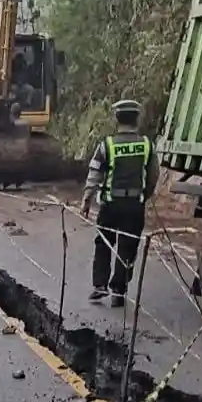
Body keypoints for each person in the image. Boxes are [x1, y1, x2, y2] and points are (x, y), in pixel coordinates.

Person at [82, 98, 159, 308]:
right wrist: (144, 196)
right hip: (134, 206)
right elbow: (154, 175)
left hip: (110, 205)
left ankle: (100, 286)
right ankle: (119, 290)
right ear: (137, 119)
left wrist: (86, 200)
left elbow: (94, 174)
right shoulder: (147, 145)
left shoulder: (107, 145)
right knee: (128, 248)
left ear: (117, 119)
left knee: (104, 244)